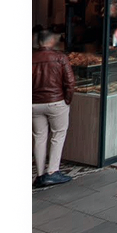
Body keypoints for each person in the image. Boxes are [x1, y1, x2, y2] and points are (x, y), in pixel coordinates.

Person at [31, 30, 75, 187]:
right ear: (51, 41)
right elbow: (70, 82)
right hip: (56, 101)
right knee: (58, 135)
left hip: (35, 104)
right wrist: (67, 100)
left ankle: (40, 174)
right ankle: (52, 172)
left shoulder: (30, 58)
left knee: (39, 137)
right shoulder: (60, 57)